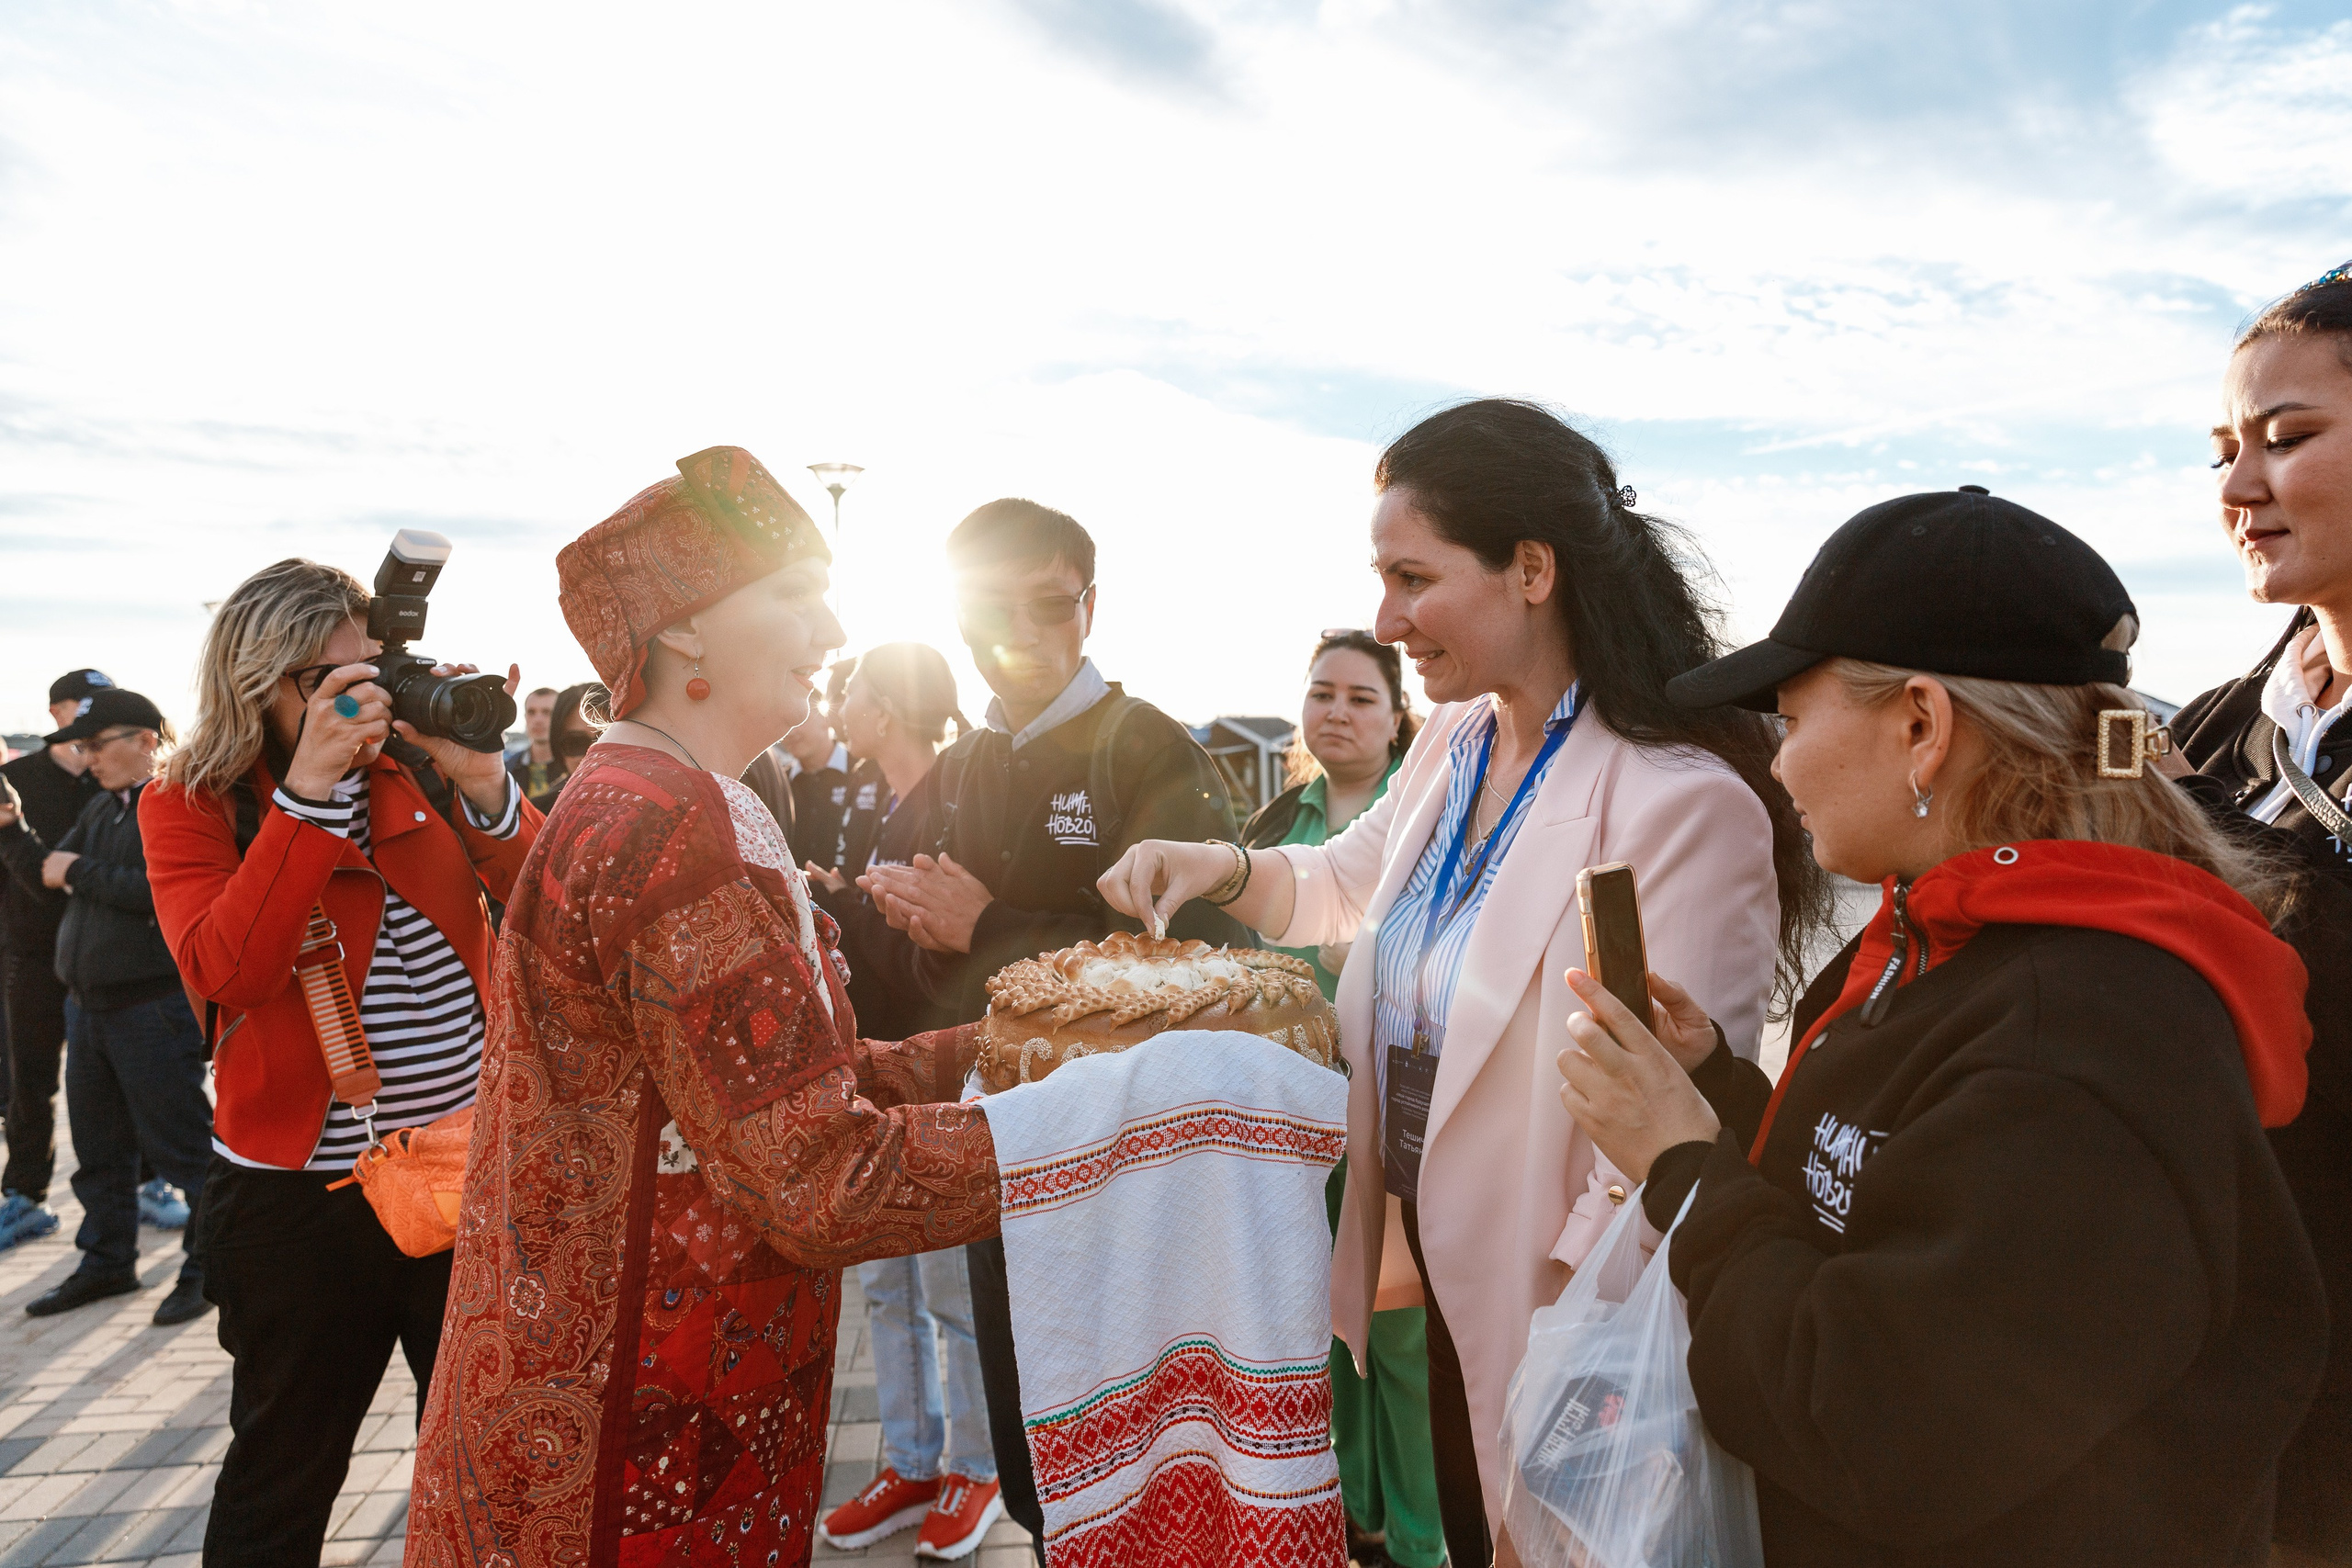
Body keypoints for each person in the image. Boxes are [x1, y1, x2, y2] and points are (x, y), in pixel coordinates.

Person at [1096, 400, 1822, 1565]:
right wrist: (1217, 866)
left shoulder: (1680, 804)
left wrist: (1576, 1391)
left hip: (1556, 1313)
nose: (1388, 621)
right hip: (1431, 1263)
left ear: (1531, 569)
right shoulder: (1456, 740)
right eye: (1382, 581)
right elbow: (1350, 880)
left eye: (1413, 579)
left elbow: (1665, 1139)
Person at [1554, 487, 2327, 1566]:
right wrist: (1713, 1095)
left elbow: (1873, 1430)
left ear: (1921, 726)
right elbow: (1885, 1201)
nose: (1776, 763)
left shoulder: (2082, 1041)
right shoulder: (1954, 939)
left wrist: (1682, 1167)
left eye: (1790, 720)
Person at [405, 446, 1004, 1568]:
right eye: (797, 595)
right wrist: (1102, 1130)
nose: (832, 633)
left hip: (624, 1392)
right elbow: (820, 1181)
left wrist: (1018, 1048)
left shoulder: (640, 793)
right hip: (644, 1433)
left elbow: (777, 1089)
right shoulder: (672, 827)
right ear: (682, 629)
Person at [858, 496, 1252, 1560]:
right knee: (1038, 1468)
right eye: (995, 609)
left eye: (1050, 606)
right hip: (1009, 1153)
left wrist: (983, 929)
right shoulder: (965, 764)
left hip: (1133, 1170)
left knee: (1145, 1463)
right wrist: (916, 930)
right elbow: (940, 977)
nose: (1024, 634)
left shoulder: (1146, 749)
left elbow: (1203, 968)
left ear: (1091, 607)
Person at [141, 556, 540, 1565]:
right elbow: (229, 969)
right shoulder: (191, 802)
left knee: (490, 1462)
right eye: (336, 681)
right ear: (260, 684)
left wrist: (483, 780)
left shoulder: (413, 769)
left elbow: (554, 905)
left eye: (377, 672)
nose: (368, 700)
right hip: (300, 1199)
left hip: (464, 1166)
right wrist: (308, 795)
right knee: (284, 1474)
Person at [2165, 259, 2352, 1566]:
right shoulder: (2216, 728)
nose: (2236, 489)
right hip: (2233, 1361)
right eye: (2223, 450)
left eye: (2285, 438)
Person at [1240, 629, 1435, 1568]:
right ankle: (1355, 1515)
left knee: (1398, 1331)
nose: (1339, 712)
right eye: (1323, 693)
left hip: (1396, 1112)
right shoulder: (1278, 821)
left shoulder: (1430, 808)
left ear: (1398, 719)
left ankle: (1423, 1537)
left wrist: (1371, 958)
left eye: (1362, 697)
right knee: (1321, 1320)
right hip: (1294, 1118)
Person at [807, 642, 999, 1559]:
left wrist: (859, 910)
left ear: (883, 708)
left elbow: (955, 948)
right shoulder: (865, 802)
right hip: (868, 1074)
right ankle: (912, 1460)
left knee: (952, 1289)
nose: (837, 702)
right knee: (885, 1285)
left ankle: (976, 1467)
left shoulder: (960, 800)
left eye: (850, 690)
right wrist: (840, 902)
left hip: (941, 1071)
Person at [0, 688, 215, 1327]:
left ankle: (209, 1268)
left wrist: (78, 873)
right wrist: (11, 827)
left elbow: (163, 893)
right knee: (98, 1152)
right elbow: (48, 874)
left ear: (146, 740)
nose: (87, 757)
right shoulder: (103, 807)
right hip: (90, 1009)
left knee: (183, 1150)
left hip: (152, 1009)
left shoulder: (179, 803)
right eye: (81, 745)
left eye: (96, 743)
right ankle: (107, 1261)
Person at [0, 670, 110, 1250]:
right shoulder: (14, 781)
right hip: (31, 955)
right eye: (84, 704)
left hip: (106, 957)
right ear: (55, 713)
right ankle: (25, 1197)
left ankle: (148, 1186)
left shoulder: (113, 781)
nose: (95, 715)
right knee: (29, 1083)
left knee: (120, 1081)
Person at [504, 685, 563, 811]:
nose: (538, 720)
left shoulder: (575, 767)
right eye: (531, 712)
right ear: (525, 716)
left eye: (547, 712)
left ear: (561, 717)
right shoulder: (507, 769)